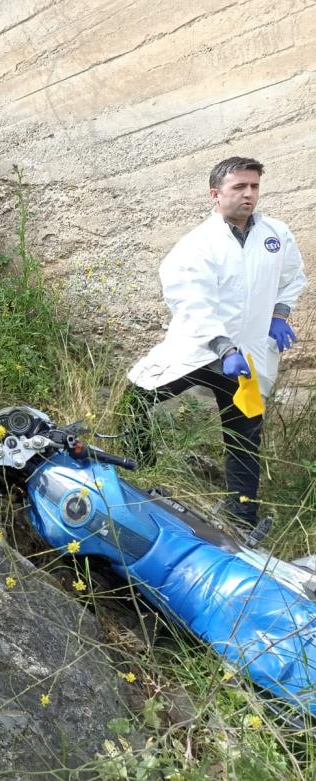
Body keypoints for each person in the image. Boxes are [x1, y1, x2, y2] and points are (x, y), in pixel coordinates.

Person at [125, 156, 306, 545]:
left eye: (254, 187)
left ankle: (241, 518)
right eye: (239, 187)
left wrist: (280, 315)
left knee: (244, 435)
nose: (248, 194)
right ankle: (138, 469)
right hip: (202, 350)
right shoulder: (196, 245)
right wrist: (224, 346)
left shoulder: (276, 234)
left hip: (251, 355)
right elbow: (191, 301)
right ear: (216, 193)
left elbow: (292, 278)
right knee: (136, 397)